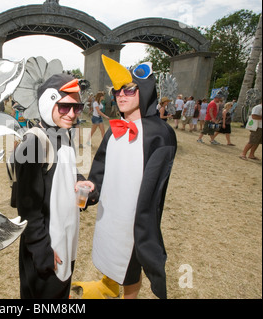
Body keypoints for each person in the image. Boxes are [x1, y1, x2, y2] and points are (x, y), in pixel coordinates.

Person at [74, 56, 177, 299]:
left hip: (132, 218)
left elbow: (154, 188)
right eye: (117, 90)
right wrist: (90, 190)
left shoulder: (160, 135)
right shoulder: (114, 129)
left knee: (130, 265)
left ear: (144, 90)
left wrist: (141, 225)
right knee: (107, 251)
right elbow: (99, 169)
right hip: (109, 213)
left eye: (129, 90)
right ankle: (106, 286)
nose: (121, 95)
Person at [14, 73, 86, 299]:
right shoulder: (32, 143)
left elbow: (64, 172)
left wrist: (80, 180)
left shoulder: (65, 134)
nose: (72, 114)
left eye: (77, 108)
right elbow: (28, 207)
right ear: (48, 103)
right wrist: (41, 250)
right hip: (46, 248)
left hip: (66, 240)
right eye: (64, 107)